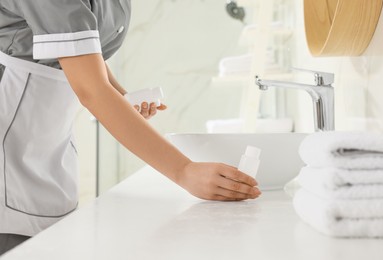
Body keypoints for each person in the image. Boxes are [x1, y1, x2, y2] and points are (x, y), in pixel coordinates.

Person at [0, 0, 260, 255]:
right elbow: (91, 89)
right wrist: (184, 171)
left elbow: (82, 51)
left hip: (45, 145)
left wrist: (119, 98)